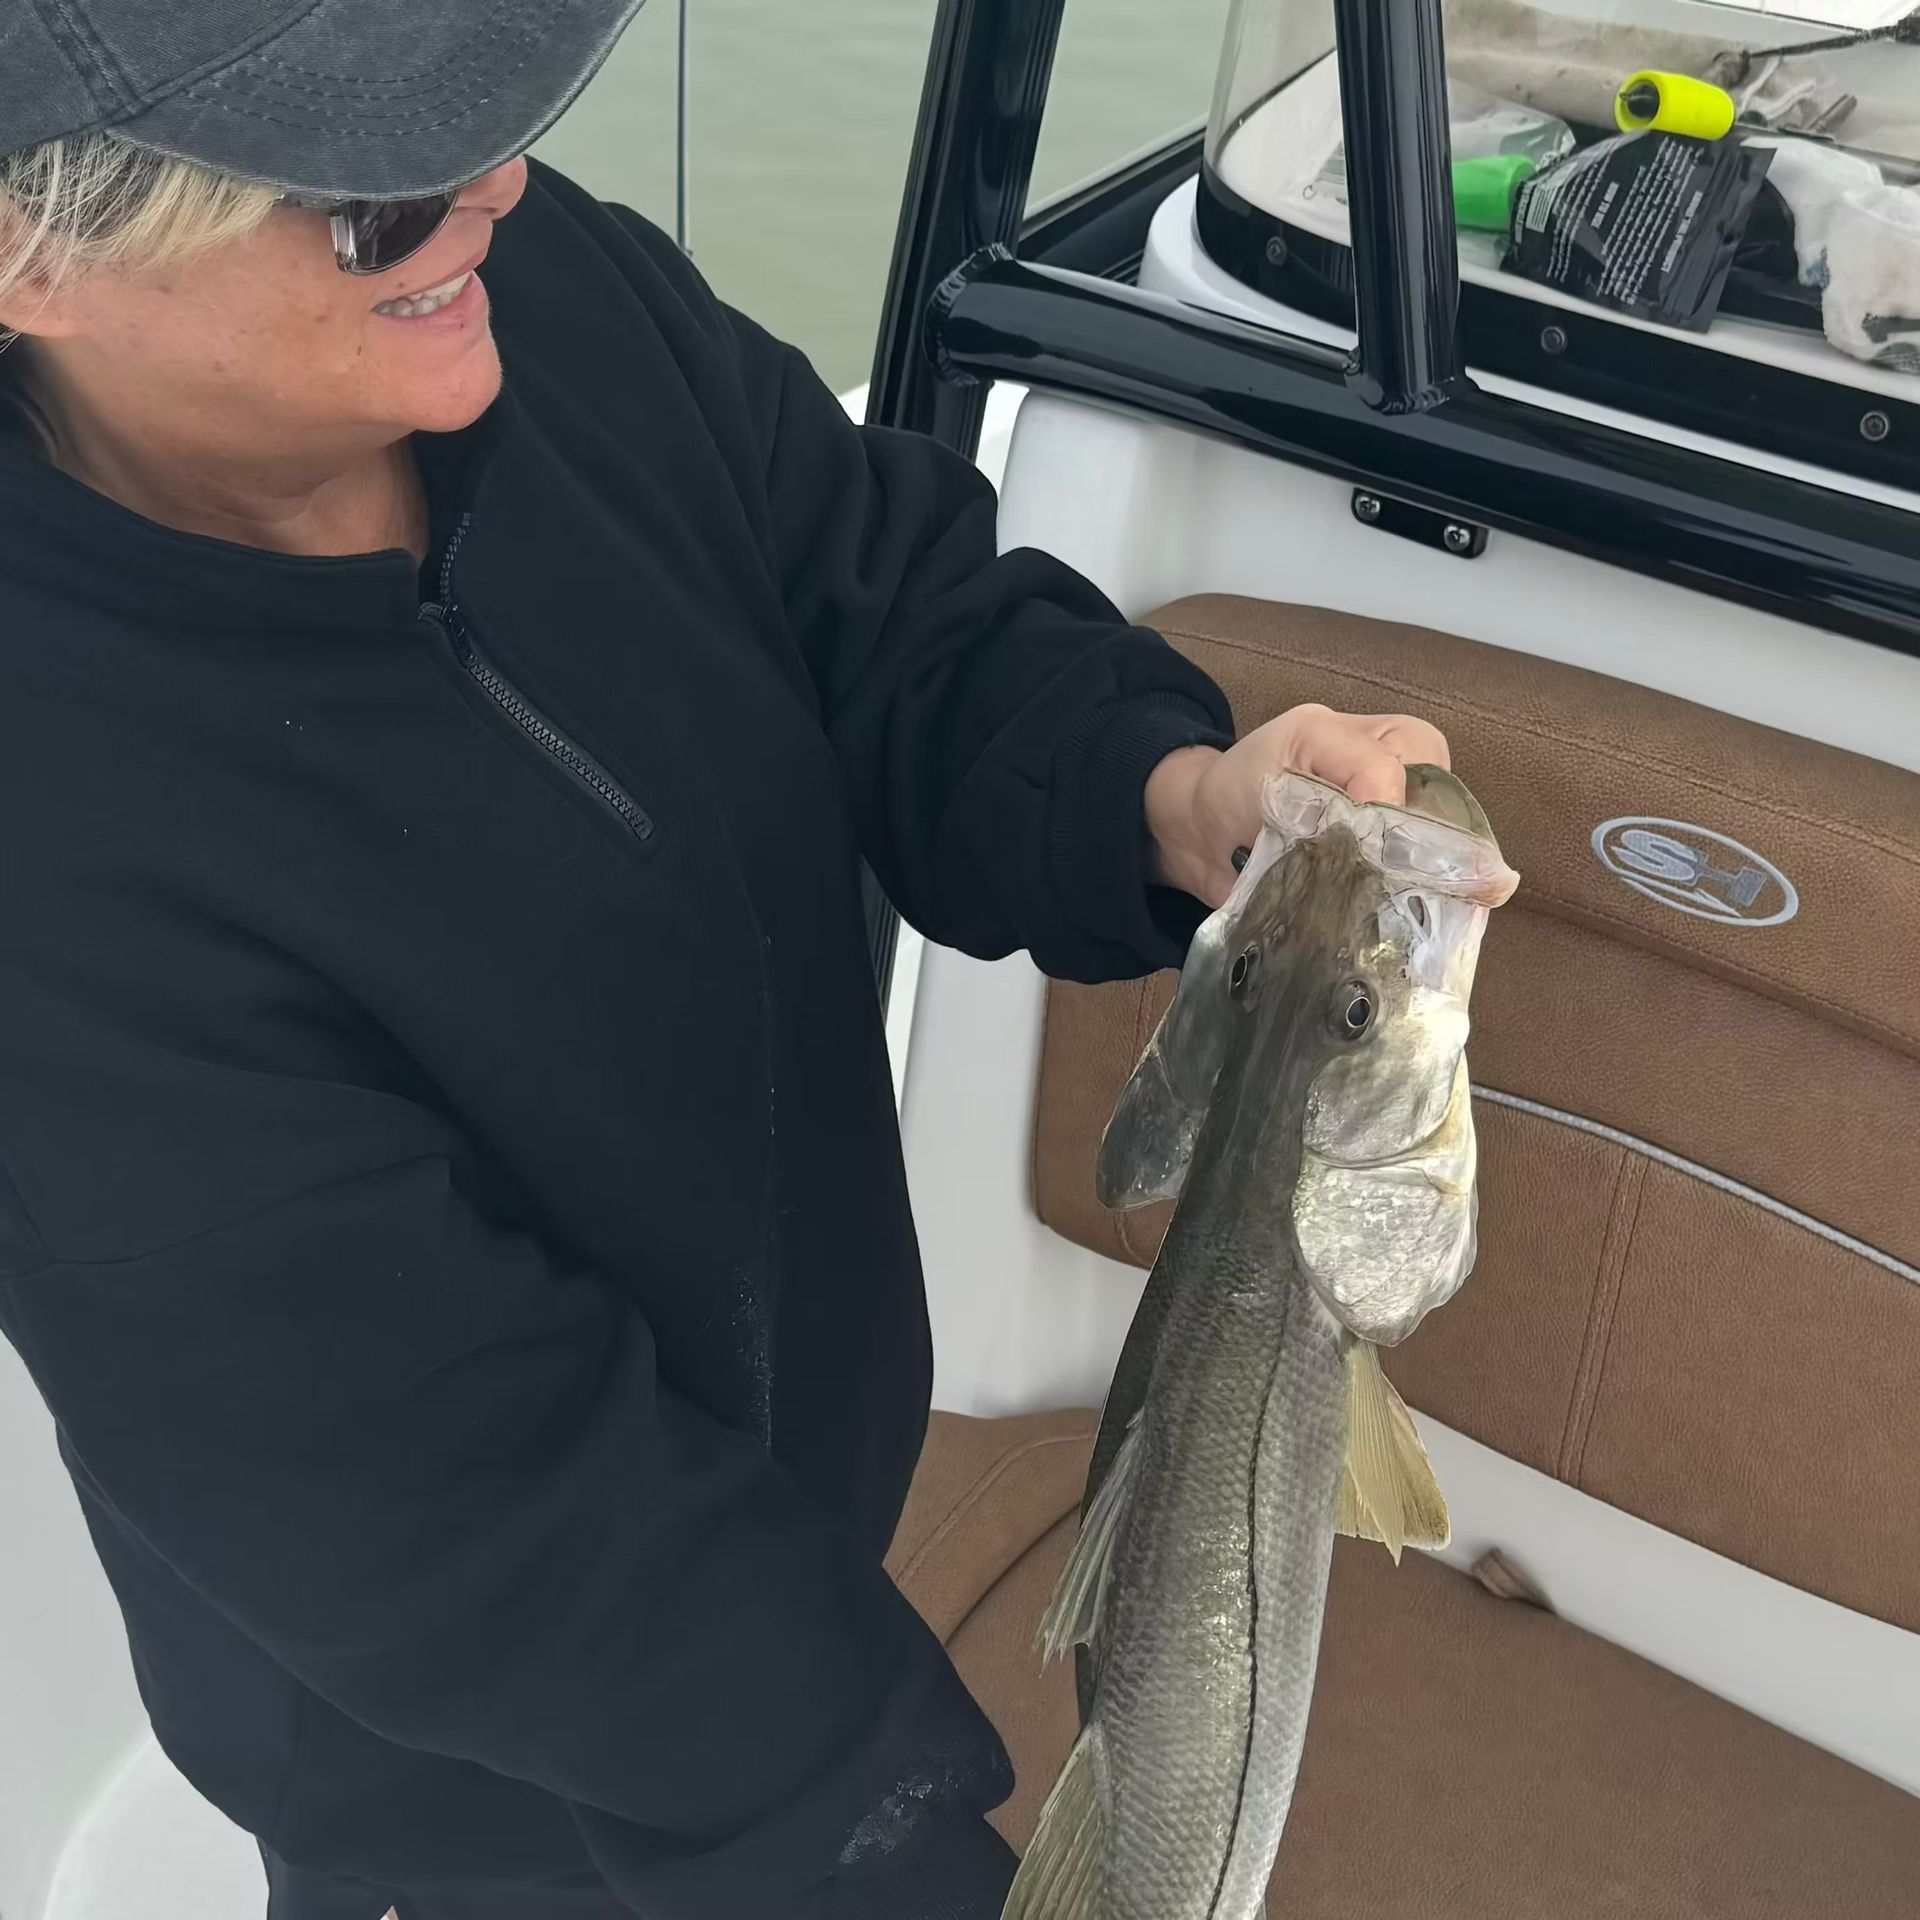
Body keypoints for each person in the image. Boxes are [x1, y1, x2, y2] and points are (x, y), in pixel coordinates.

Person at [0, 5, 1451, 1918]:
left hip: (797, 1507)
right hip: (481, 1785)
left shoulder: (543, 294)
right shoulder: (54, 862)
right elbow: (501, 1527)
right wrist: (907, 1861)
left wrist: (1163, 794)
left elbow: (887, 605)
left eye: (492, 102)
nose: (498, 186)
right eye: (386, 184)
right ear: (38, 253)